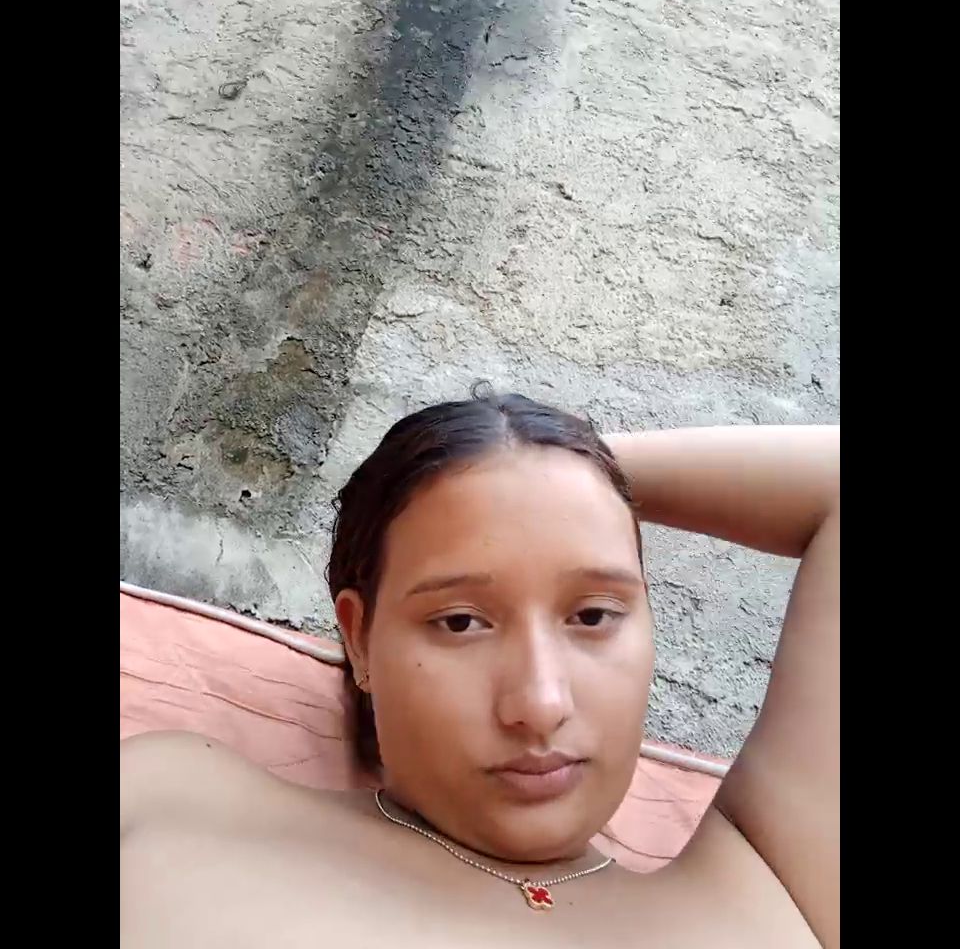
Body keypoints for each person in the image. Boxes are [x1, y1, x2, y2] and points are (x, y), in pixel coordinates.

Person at [120, 391, 839, 947]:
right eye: (461, 622)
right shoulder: (180, 795)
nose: (541, 703)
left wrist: (551, 463)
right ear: (360, 639)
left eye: (593, 615)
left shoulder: (775, 886)